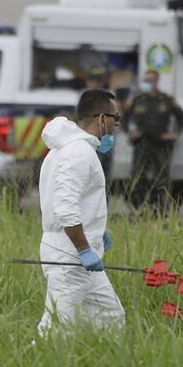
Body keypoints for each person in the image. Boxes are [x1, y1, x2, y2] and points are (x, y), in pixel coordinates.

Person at [36, 89, 125, 336]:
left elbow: (75, 201)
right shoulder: (78, 153)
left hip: (79, 250)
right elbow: (65, 208)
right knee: (57, 328)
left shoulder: (72, 150)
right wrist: (84, 249)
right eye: (115, 118)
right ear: (100, 119)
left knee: (109, 316)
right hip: (70, 255)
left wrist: (96, 231)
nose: (117, 124)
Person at [122, 69, 183, 211]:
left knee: (161, 178)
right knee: (138, 177)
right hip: (142, 143)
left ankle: (159, 208)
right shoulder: (138, 100)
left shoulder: (166, 99)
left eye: (150, 80)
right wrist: (130, 132)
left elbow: (181, 117)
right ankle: (138, 208)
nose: (147, 83)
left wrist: (174, 133)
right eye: (145, 80)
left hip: (161, 144)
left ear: (157, 81)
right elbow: (125, 118)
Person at [85, 66, 113, 185]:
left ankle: (104, 200)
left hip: (106, 137)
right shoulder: (84, 99)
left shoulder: (109, 98)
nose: (96, 84)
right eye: (94, 81)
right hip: (90, 138)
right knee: (90, 170)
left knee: (104, 171)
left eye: (99, 81)